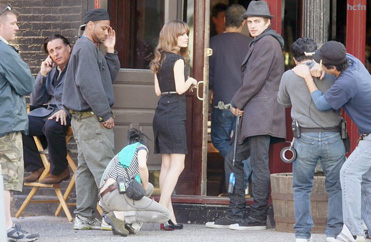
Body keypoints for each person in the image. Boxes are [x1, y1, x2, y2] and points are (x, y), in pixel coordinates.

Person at [206, 0, 286, 230]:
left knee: (258, 165)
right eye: (249, 21)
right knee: (234, 159)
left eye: (257, 21)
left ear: (267, 22)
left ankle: (258, 216)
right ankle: (235, 211)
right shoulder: (259, 42)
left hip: (262, 114)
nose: (252, 25)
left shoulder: (267, 43)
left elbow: (254, 80)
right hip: (254, 113)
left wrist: (236, 102)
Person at [292, 40, 371, 242]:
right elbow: (330, 69)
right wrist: (321, 70)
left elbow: (321, 104)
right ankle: (368, 228)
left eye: (321, 63)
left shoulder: (346, 83)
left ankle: (354, 231)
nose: (317, 65)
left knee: (348, 172)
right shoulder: (353, 61)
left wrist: (308, 78)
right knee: (366, 181)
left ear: (333, 67)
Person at [277, 38, 345, 242]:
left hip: (304, 137)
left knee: (301, 187)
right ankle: (333, 233)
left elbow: (283, 101)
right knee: (336, 187)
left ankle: (303, 235)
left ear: (295, 59)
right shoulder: (333, 73)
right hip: (333, 135)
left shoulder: (289, 76)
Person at [62, 8, 120, 230]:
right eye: (104, 28)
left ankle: (84, 217)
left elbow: (107, 78)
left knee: (86, 168)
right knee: (104, 166)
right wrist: (105, 114)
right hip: (91, 118)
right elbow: (89, 85)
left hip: (84, 119)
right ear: (90, 25)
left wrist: (111, 51)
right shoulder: (85, 48)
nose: (107, 32)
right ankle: (111, 215)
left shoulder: (89, 48)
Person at [150, 20, 197, 230]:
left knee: (167, 166)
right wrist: (192, 81)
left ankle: (169, 218)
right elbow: (180, 88)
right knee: (179, 165)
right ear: (172, 37)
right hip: (174, 113)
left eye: (186, 34)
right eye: (182, 35)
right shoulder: (178, 60)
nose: (186, 38)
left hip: (161, 112)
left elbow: (158, 92)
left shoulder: (159, 59)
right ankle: (160, 212)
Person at [0, 4, 39, 242]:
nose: (17, 27)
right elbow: (27, 84)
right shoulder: (4, 51)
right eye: (13, 23)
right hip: (6, 122)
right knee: (6, 177)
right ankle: (7, 227)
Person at [209, 4, 252, 195]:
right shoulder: (251, 45)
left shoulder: (213, 42)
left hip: (221, 101)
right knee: (242, 147)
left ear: (224, 20)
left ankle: (236, 179)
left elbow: (208, 74)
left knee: (219, 140)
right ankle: (239, 176)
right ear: (244, 23)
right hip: (244, 103)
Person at [99, 128, 171, 236]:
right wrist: (145, 187)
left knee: (150, 188)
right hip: (118, 194)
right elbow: (142, 166)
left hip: (105, 199)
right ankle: (120, 217)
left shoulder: (120, 155)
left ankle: (124, 222)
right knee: (165, 214)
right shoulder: (141, 147)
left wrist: (147, 188)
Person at [22, 34, 72, 184]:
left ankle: (60, 170)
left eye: (58, 48)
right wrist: (42, 74)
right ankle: (37, 167)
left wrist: (66, 108)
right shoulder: (52, 71)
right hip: (48, 113)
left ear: (68, 48)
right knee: (17, 123)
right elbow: (36, 101)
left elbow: (80, 93)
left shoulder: (76, 68)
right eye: (51, 51)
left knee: (52, 125)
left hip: (69, 114)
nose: (55, 54)